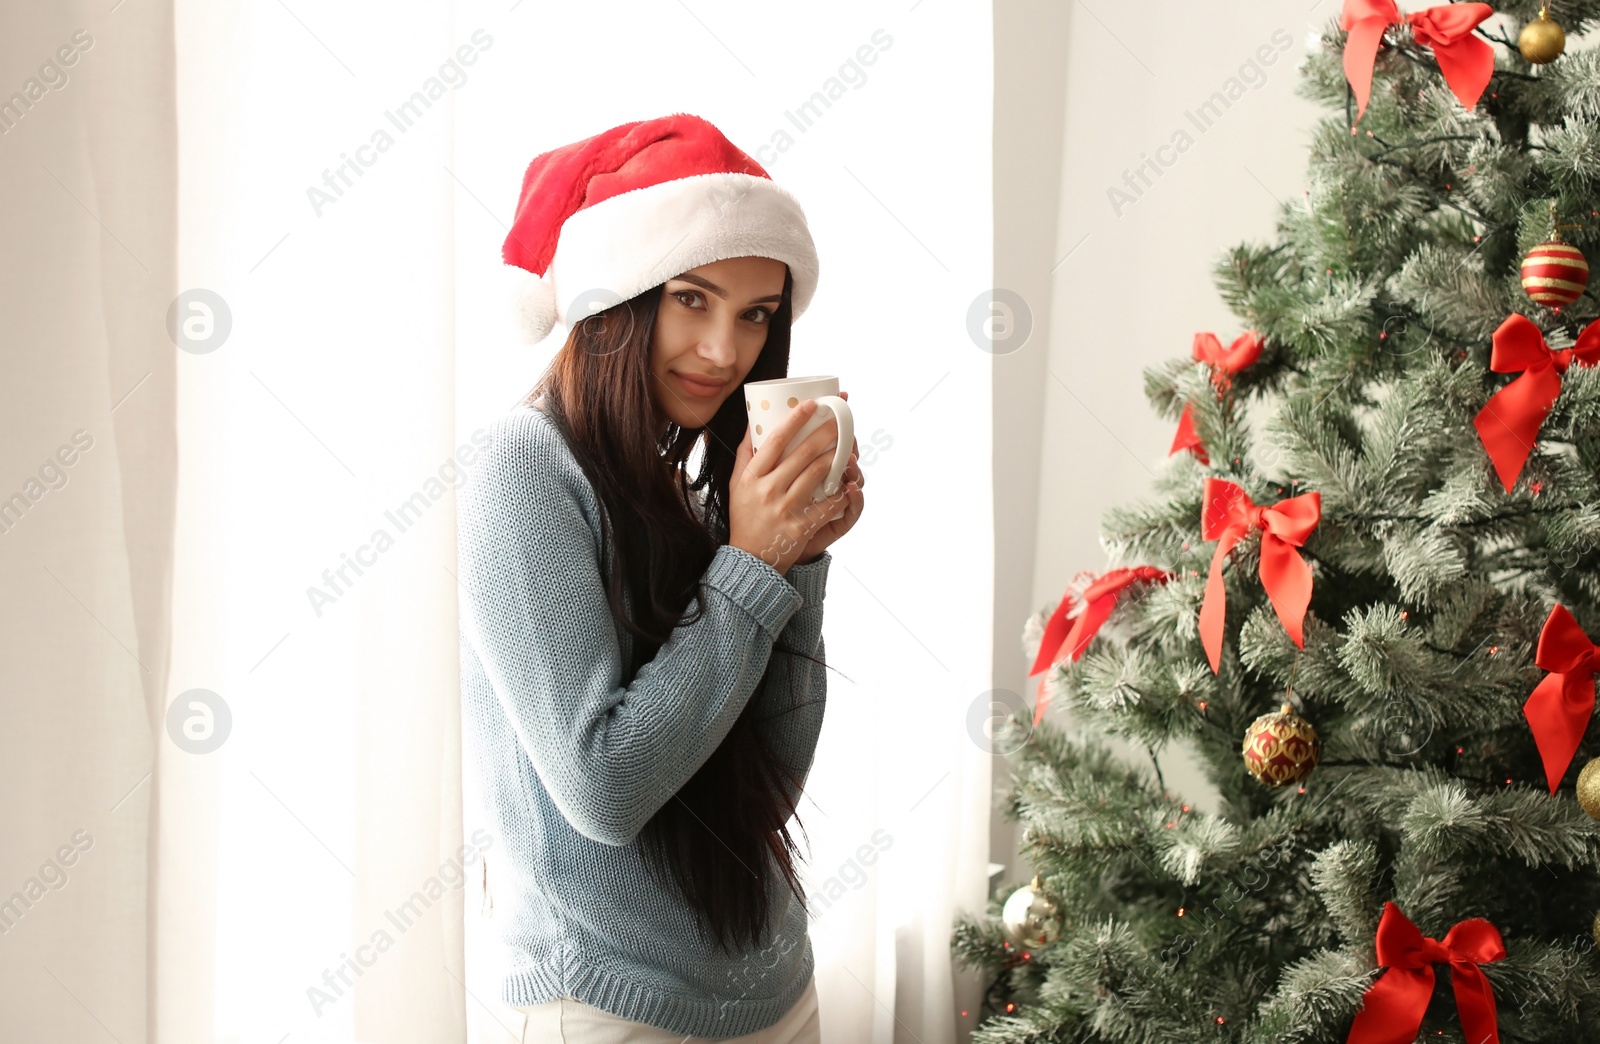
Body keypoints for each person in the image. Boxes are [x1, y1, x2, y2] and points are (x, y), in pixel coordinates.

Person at [457, 113, 866, 1043]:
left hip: (776, 991)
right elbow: (605, 789)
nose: (726, 351)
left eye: (756, 314)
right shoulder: (520, 471)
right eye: (693, 298)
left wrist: (795, 562)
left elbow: (768, 785)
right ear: (621, 291)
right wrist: (754, 566)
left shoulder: (679, 486)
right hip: (612, 1007)